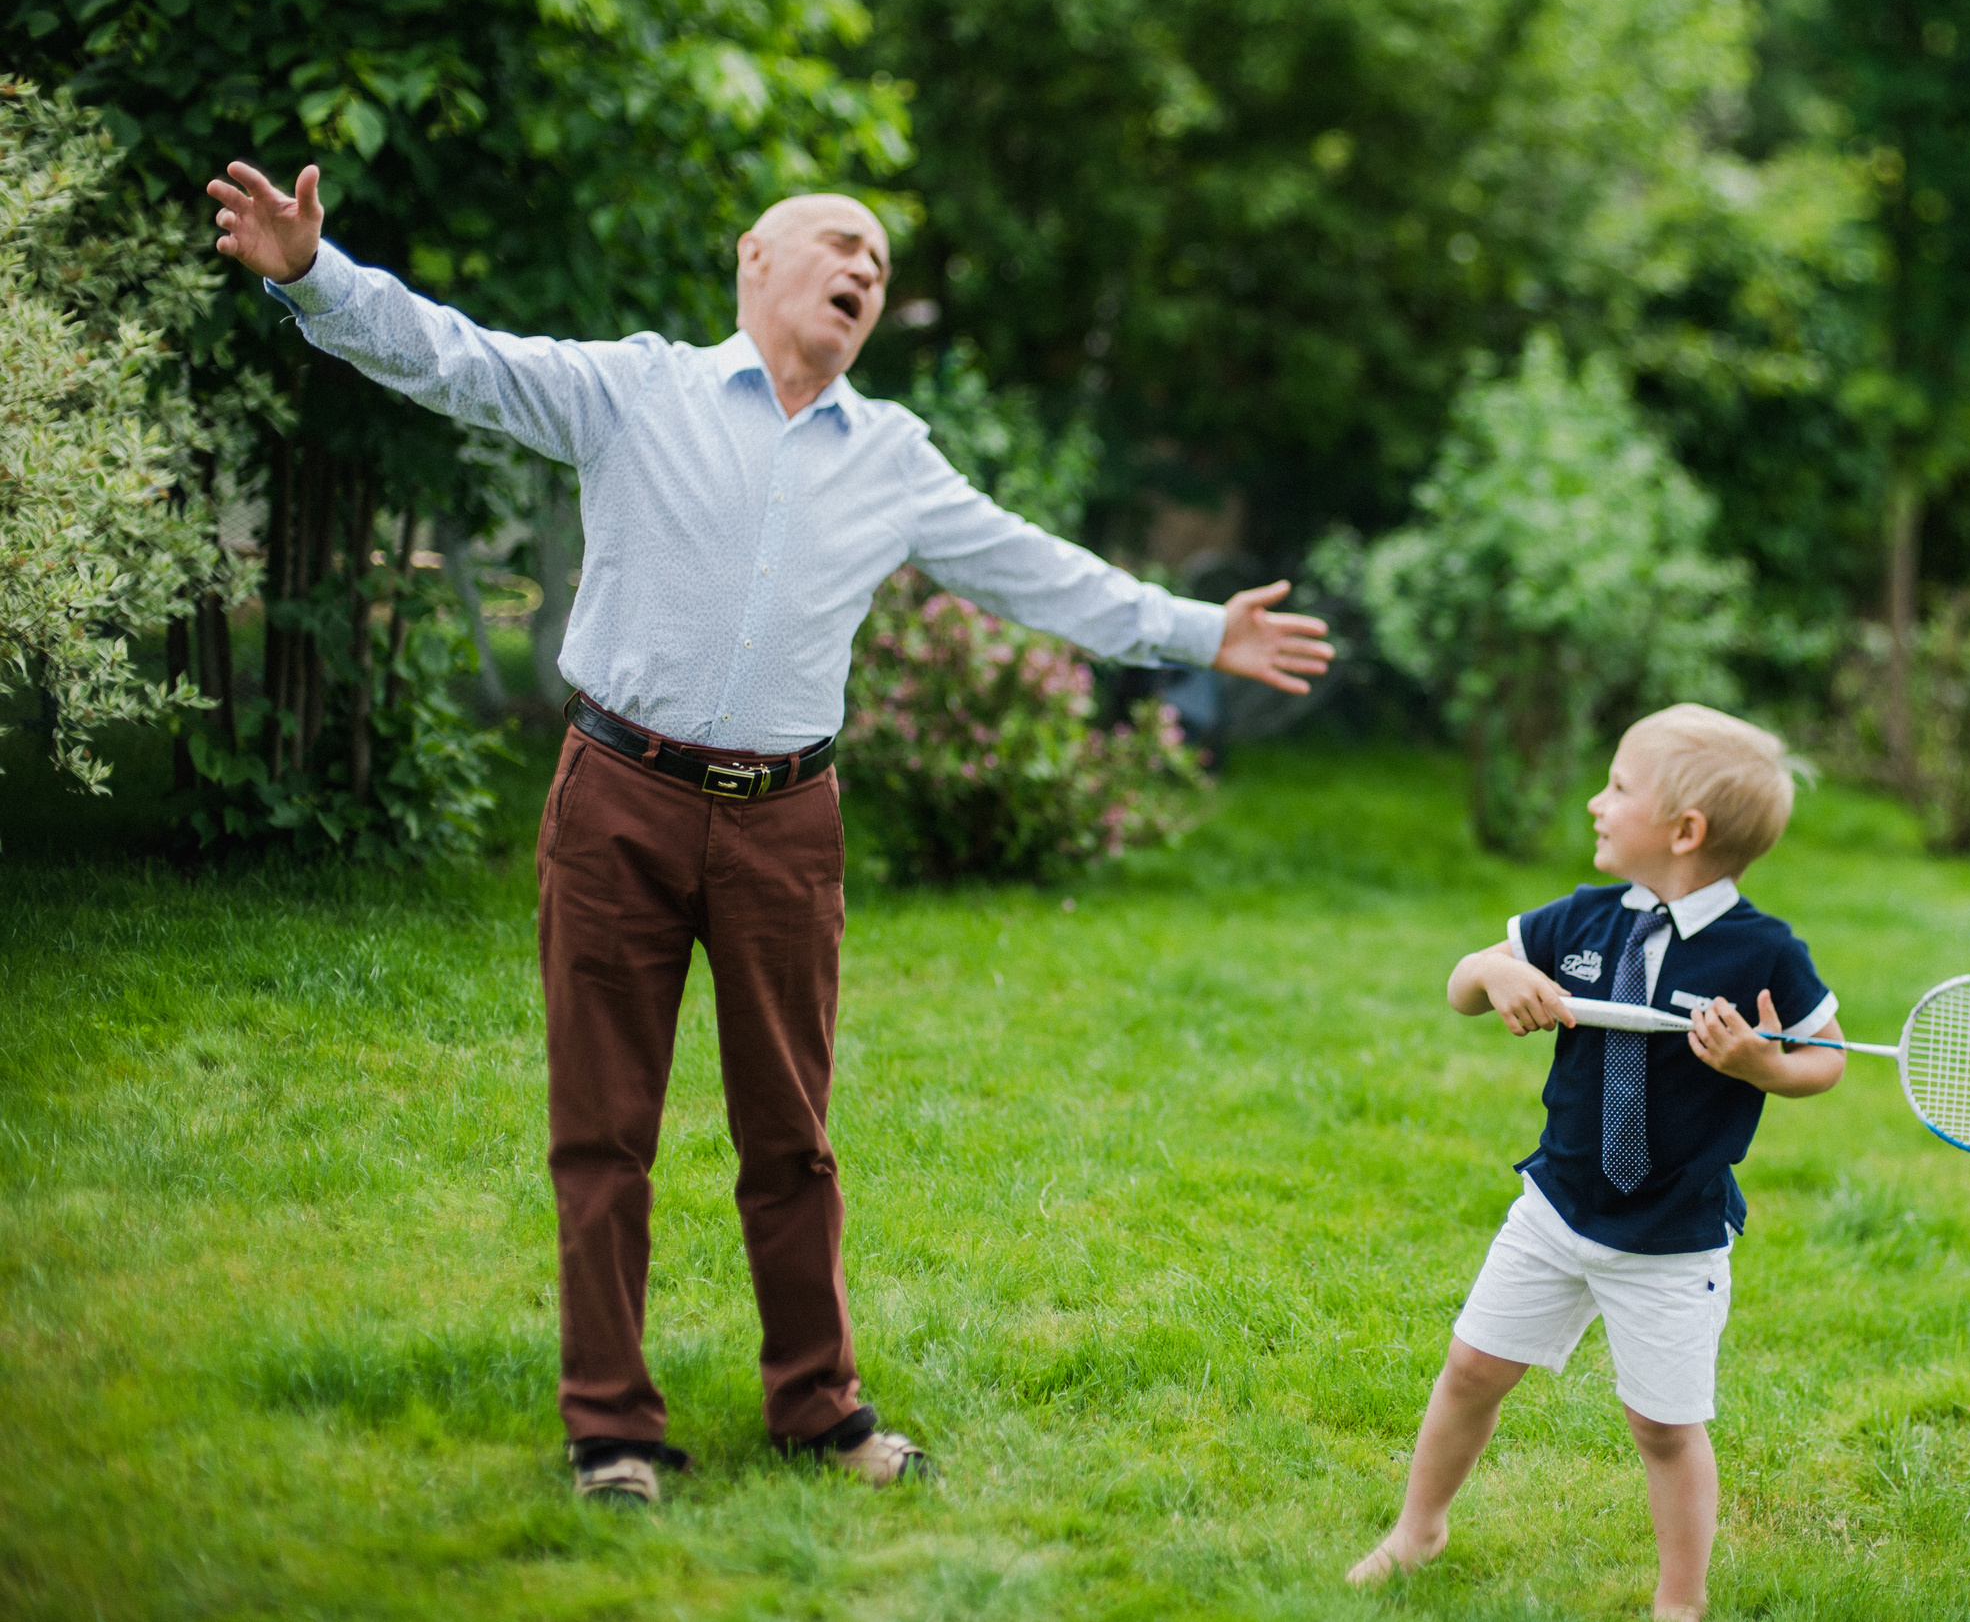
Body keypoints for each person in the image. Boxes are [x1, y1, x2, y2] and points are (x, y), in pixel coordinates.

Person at [206, 162, 1333, 1505]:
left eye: (881, 266)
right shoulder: (638, 391)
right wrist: (312, 276)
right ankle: (612, 1430)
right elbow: (458, 359)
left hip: (786, 822)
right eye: (841, 246)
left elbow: (1045, 574)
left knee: (790, 1136)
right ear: (757, 261)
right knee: (602, 1128)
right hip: (618, 797)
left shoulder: (893, 458)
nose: (864, 272)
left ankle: (820, 1409)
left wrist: (1204, 630)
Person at [1346, 704, 1843, 1620]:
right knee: (1471, 1369)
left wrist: (1761, 1065)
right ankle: (1419, 1529)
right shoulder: (1581, 919)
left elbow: (1828, 1058)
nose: (1594, 801)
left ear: (1685, 831)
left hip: (1671, 1237)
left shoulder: (1764, 950)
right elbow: (1464, 981)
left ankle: (1678, 1603)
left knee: (1663, 1425)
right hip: (1556, 1206)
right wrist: (1495, 974)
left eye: (1617, 787)